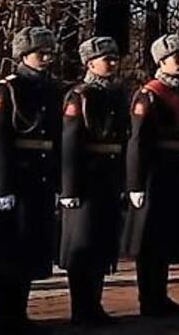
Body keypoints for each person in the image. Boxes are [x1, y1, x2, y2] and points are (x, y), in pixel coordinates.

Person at [0, 26, 63, 334]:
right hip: (16, 177)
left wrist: (57, 181)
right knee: (7, 253)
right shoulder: (7, 89)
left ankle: (20, 314)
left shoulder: (52, 89)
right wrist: (0, 186)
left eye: (50, 53)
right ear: (24, 55)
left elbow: (56, 138)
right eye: (41, 53)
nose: (47, 58)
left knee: (28, 250)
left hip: (40, 179)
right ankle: (5, 317)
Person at [124, 33, 179, 318]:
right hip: (155, 174)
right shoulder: (150, 95)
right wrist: (135, 183)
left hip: (177, 175)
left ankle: (161, 296)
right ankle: (149, 298)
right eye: (174, 57)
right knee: (150, 241)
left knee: (167, 239)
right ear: (160, 61)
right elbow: (137, 142)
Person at [58, 36, 130, 328]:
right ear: (90, 63)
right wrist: (69, 188)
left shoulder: (117, 93)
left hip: (108, 178)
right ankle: (81, 307)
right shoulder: (81, 95)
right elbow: (70, 143)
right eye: (106, 59)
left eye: (114, 58)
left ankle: (94, 304)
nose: (112, 63)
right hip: (87, 178)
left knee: (102, 244)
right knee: (83, 246)